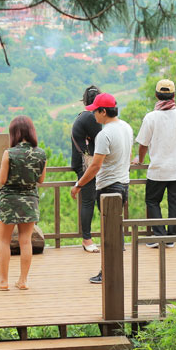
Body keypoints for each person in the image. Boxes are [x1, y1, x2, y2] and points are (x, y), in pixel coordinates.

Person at [70, 92, 133, 284]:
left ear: (103, 111)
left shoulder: (105, 134)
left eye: (95, 112)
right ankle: (112, 271)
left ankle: (107, 274)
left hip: (108, 187)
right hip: (123, 184)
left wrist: (78, 185)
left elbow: (95, 166)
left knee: (108, 234)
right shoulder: (126, 127)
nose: (94, 116)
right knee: (115, 231)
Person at [0, 116, 47, 292]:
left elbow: (2, 180)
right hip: (30, 200)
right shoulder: (41, 153)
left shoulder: (9, 153)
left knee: (3, 241)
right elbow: (41, 179)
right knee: (25, 241)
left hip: (9, 200)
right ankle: (23, 280)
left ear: (14, 133)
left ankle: (3, 281)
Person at [133, 79, 176, 248]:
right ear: (174, 95)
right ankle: (171, 238)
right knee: (175, 203)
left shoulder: (151, 117)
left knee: (152, 201)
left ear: (156, 95)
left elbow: (143, 144)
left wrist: (141, 159)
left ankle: (158, 235)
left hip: (158, 169)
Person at [70, 85, 103, 253]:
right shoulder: (91, 117)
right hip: (87, 164)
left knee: (96, 200)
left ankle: (96, 237)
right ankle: (87, 239)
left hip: (84, 162)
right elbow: (102, 140)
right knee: (90, 200)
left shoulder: (84, 116)